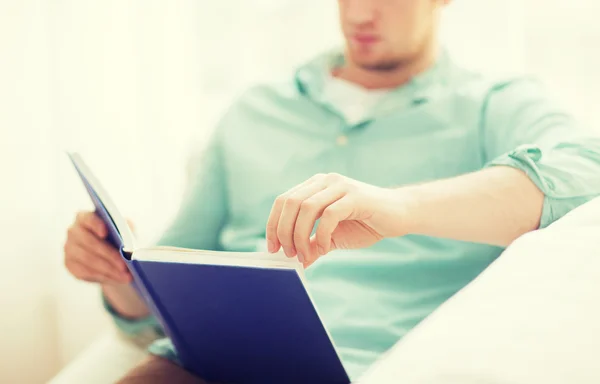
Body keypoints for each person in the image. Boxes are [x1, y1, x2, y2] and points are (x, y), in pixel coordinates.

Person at [64, 0, 600, 382]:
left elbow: (587, 171)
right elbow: (163, 293)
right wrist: (115, 272)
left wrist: (402, 206)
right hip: (206, 364)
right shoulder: (254, 111)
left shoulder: (494, 104)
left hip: (385, 365)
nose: (359, 15)